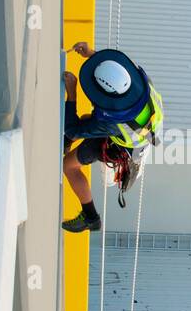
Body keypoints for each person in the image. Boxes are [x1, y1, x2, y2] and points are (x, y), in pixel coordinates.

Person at [62, 41, 163, 233]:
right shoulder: (140, 82)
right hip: (139, 131)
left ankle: (91, 217)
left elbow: (72, 130)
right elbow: (115, 73)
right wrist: (92, 55)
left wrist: (72, 93)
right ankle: (65, 145)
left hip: (119, 145)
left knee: (69, 165)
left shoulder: (113, 122)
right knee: (87, 120)